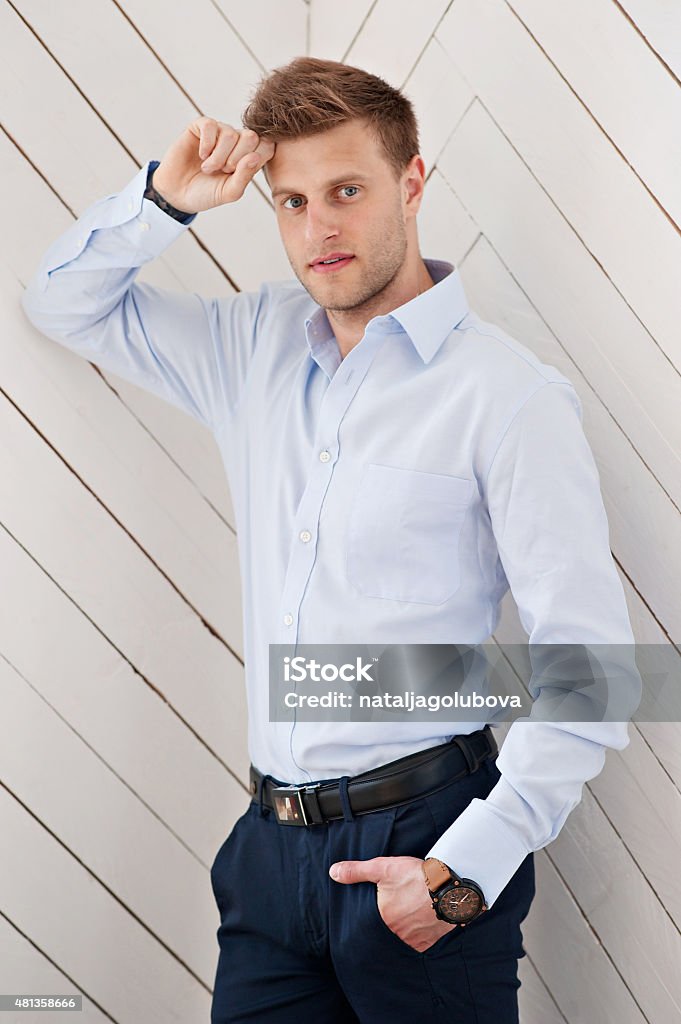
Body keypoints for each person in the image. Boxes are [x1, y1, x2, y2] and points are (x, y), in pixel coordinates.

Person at [21, 56, 640, 1024]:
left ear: (414, 181)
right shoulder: (253, 346)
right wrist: (165, 202)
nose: (319, 228)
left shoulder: (507, 397)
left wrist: (461, 874)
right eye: (292, 201)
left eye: (347, 190)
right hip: (269, 856)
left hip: (427, 840)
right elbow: (62, 302)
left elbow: (592, 669)